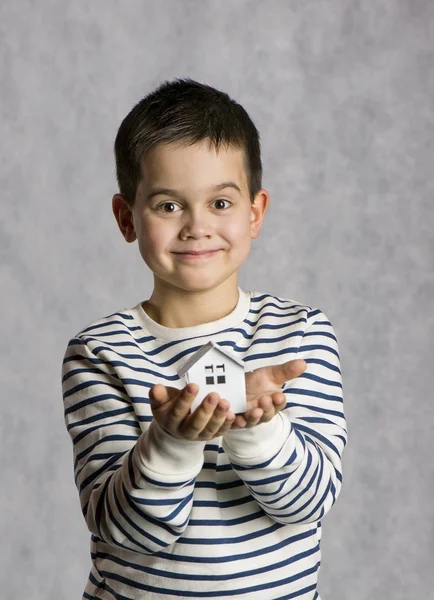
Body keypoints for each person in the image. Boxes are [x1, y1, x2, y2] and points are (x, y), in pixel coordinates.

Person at [61, 77, 347, 600]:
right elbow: (128, 530)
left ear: (255, 213)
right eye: (169, 206)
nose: (197, 226)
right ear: (127, 218)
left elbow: (308, 503)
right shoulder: (100, 353)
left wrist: (256, 428)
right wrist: (170, 441)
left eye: (220, 203)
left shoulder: (300, 337)